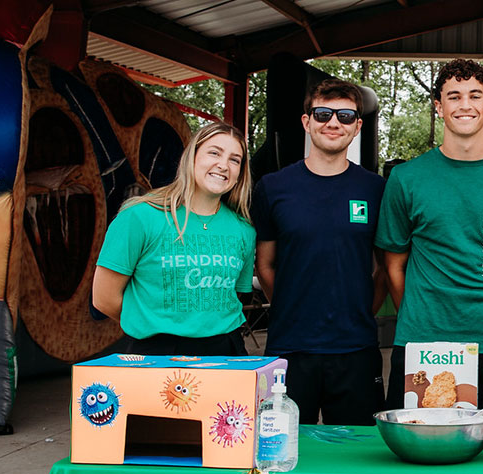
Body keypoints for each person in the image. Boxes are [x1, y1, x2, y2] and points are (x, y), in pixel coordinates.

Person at [376, 59, 483, 423]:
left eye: (475, 95)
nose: (464, 105)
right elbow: (394, 263)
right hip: (422, 341)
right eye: (453, 96)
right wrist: (422, 316)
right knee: (416, 445)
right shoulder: (406, 178)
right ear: (439, 106)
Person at [251, 79, 386, 425]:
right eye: (323, 113)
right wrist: (289, 307)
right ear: (306, 121)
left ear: (357, 127)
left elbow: (385, 268)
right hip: (289, 349)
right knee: (282, 454)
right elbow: (265, 264)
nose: (333, 122)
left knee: (360, 457)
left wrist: (359, 311)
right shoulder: (273, 187)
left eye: (345, 115)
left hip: (356, 349)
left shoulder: (375, 189)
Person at [93, 122, 255, 356]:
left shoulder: (243, 230)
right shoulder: (140, 216)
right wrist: (154, 321)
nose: (223, 165)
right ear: (192, 157)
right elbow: (103, 298)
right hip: (157, 352)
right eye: (214, 152)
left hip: (227, 351)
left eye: (235, 159)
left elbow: (229, 297)